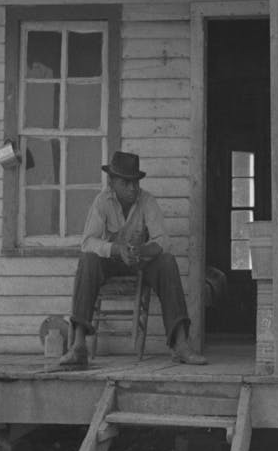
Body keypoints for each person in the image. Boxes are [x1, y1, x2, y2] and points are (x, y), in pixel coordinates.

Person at [58, 151, 208, 369]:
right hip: (113, 261)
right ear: (112, 182)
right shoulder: (102, 201)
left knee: (167, 262)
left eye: (135, 182)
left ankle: (181, 345)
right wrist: (117, 249)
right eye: (125, 183)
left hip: (140, 260)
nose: (132, 188)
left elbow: (163, 241)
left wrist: (141, 249)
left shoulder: (146, 200)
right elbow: (88, 242)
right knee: (87, 261)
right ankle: (79, 346)